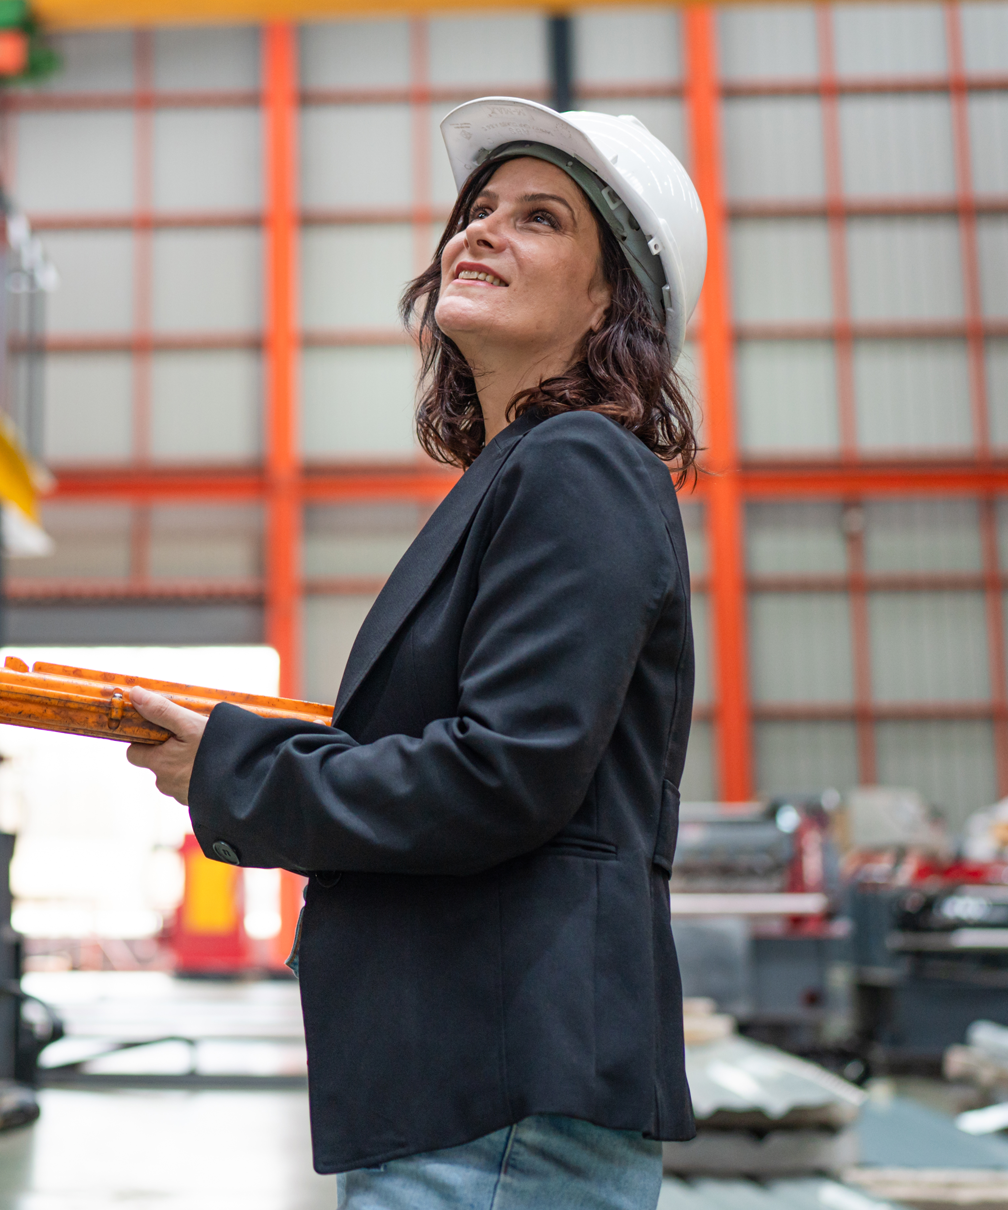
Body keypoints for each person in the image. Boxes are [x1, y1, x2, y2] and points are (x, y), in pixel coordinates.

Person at [124, 96, 706, 1208]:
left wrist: (238, 772)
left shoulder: (577, 464)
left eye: (540, 219)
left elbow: (504, 773)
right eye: (478, 209)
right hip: (473, 1087)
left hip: (496, 1096)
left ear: (606, 303)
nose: (479, 231)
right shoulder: (519, 478)